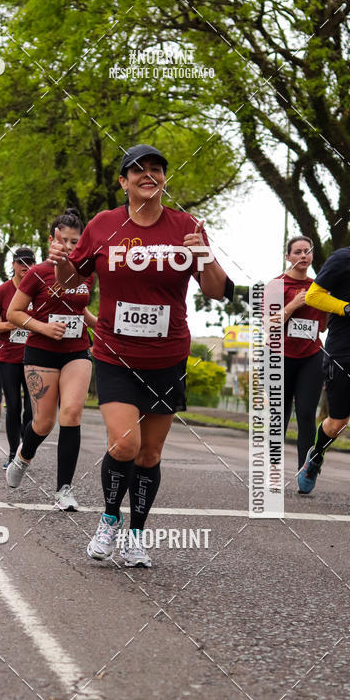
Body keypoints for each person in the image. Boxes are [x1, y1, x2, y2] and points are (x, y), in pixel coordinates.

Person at [49, 143, 233, 566]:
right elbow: (70, 281)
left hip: (168, 356)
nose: (148, 175)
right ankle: (110, 519)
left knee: (150, 454)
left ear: (164, 178)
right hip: (116, 353)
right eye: (138, 170)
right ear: (123, 181)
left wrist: (201, 253)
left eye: (156, 169)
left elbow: (217, 290)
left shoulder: (186, 226)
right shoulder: (103, 225)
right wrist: (60, 262)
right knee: (126, 444)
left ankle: (136, 534)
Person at [5, 208, 97, 511]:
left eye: (75, 241)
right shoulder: (37, 273)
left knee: (71, 413)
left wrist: (103, 328)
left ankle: (64, 490)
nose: (70, 246)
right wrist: (43, 327)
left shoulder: (87, 273)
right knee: (43, 422)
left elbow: (78, 308)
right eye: (65, 240)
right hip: (42, 351)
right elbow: (13, 313)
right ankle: (23, 455)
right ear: (51, 240)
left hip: (77, 351)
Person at [296, 242, 350, 493]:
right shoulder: (344, 258)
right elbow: (313, 296)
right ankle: (316, 457)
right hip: (345, 354)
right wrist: (349, 309)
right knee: (337, 423)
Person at [268, 236, 328, 473]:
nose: (304, 256)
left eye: (308, 251)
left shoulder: (319, 287)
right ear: (288, 257)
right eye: (298, 252)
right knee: (279, 414)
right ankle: (272, 467)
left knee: (305, 414)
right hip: (278, 356)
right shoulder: (276, 286)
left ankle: (307, 470)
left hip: (311, 357)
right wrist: (293, 305)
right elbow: (269, 325)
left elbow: (322, 326)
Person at [0, 248, 35, 467]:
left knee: (31, 410)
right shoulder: (3, 290)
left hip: (34, 357)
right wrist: (9, 324)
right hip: (7, 359)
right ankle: (13, 453)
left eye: (30, 263)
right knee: (13, 405)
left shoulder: (38, 289)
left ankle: (25, 447)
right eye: (21, 262)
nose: (25, 266)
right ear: (13, 265)